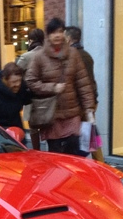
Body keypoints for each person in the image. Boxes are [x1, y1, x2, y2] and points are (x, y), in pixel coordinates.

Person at [25, 18, 95, 157]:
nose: (57, 35)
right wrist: (52, 88)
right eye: (53, 32)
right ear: (48, 35)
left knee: (74, 152)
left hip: (72, 113)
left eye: (60, 31)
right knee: (56, 155)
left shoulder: (73, 54)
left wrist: (89, 110)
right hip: (52, 115)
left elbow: (83, 83)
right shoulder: (40, 57)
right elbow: (30, 80)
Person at [65, 25, 104, 162]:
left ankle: (92, 163)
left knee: (83, 135)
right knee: (90, 133)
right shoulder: (86, 55)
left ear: (68, 39)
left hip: (81, 103)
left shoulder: (73, 56)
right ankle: (100, 162)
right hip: (91, 101)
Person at [17, 28, 44, 150]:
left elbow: (15, 72)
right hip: (48, 96)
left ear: (30, 40)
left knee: (33, 128)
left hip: (30, 97)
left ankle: (37, 151)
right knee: (48, 126)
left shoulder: (26, 57)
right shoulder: (50, 54)